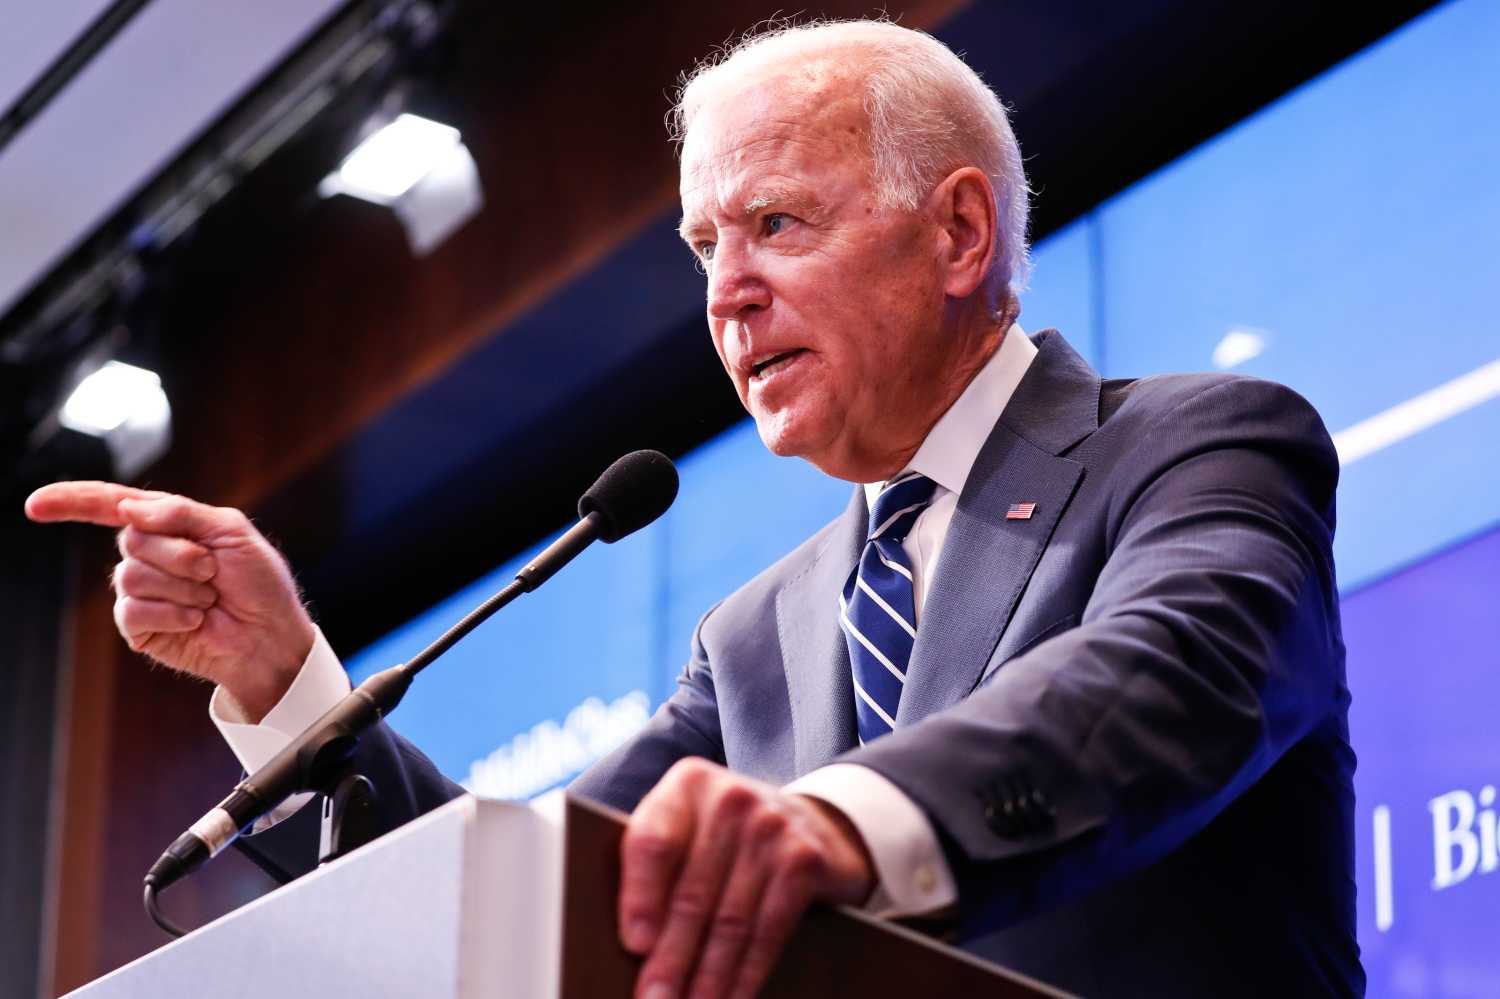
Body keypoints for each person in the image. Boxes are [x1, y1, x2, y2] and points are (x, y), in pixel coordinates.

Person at [25, 19, 1364, 998]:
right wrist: (289, 685)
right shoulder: (755, 632)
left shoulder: (1197, 445)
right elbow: (526, 891)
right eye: (705, 248)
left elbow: (1171, 681)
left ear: (959, 235)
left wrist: (838, 822)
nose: (726, 293)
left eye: (776, 224)